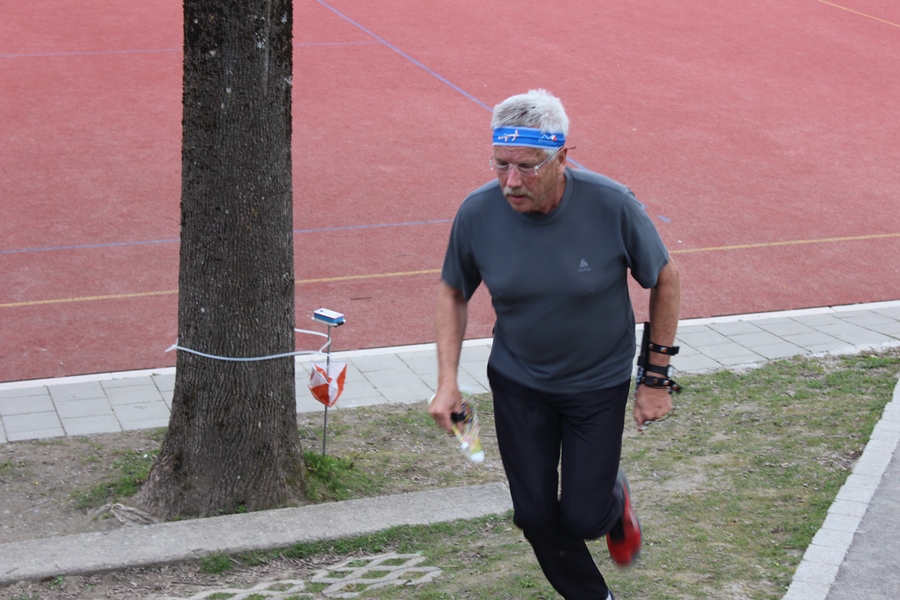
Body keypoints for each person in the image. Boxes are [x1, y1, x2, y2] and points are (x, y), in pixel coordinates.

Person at [429, 89, 681, 600]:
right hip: (519, 383)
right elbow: (453, 291)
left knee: (585, 517)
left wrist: (654, 377)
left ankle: (614, 498)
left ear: (562, 157)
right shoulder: (477, 212)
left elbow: (665, 279)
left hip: (596, 384)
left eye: (527, 166)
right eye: (500, 164)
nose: (511, 182)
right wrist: (447, 382)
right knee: (534, 514)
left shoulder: (612, 204)